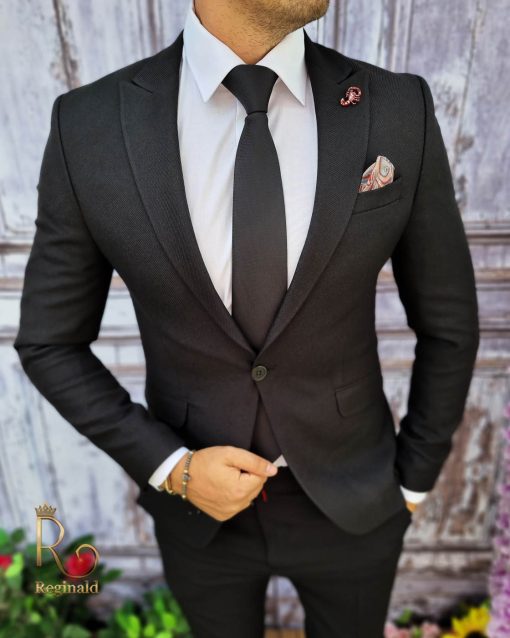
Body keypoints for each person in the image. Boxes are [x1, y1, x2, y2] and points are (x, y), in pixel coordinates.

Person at [13, 0, 479, 635]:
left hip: (356, 498)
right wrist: (172, 468)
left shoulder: (396, 106)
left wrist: (415, 481)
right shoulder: (88, 124)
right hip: (195, 514)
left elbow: (448, 319)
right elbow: (49, 342)